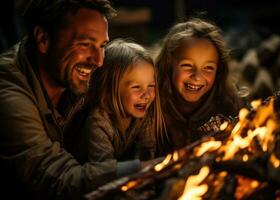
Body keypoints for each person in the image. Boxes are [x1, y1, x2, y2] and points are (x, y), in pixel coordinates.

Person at [0, 1, 148, 199]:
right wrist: (150, 169)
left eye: (102, 46)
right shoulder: (9, 98)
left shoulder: (72, 72)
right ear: (43, 39)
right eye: (85, 44)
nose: (98, 60)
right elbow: (61, 179)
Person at [64, 39, 165, 165]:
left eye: (151, 86)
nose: (147, 95)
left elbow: (146, 151)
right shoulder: (99, 120)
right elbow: (104, 168)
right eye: (136, 87)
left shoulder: (142, 112)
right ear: (109, 89)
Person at [155, 18, 244, 155]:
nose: (197, 76)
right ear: (168, 64)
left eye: (208, 68)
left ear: (219, 70)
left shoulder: (230, 107)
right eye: (187, 65)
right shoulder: (152, 106)